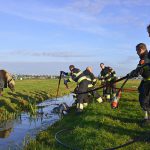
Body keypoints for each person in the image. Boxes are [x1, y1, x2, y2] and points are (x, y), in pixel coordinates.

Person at [127, 43, 150, 124]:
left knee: (144, 101)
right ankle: (146, 118)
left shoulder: (145, 58)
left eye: (137, 51)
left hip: (148, 83)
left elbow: (137, 72)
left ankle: (147, 119)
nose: (136, 53)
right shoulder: (146, 57)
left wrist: (130, 75)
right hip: (145, 81)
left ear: (140, 50)